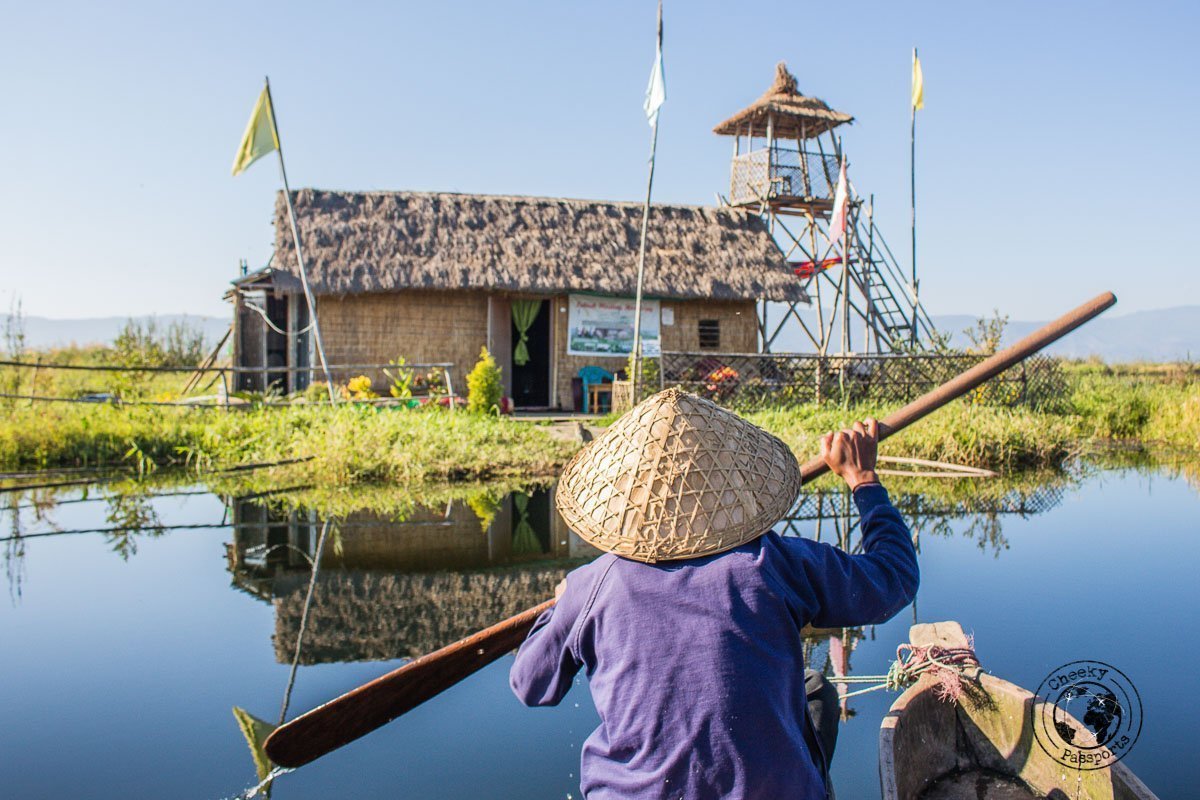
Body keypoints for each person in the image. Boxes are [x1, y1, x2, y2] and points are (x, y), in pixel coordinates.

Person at [510, 389, 919, 800]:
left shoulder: (595, 585)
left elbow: (531, 684)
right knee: (814, 693)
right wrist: (863, 480)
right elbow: (894, 578)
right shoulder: (773, 562)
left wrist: (564, 606)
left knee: (812, 688)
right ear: (732, 486)